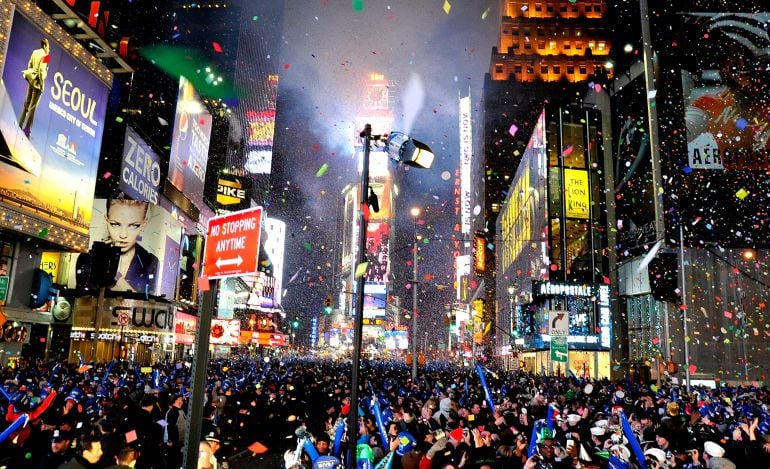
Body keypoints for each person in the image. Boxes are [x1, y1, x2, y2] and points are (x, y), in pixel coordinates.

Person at [103, 199, 158, 293]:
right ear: (106, 221)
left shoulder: (150, 262)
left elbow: (147, 302)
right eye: (115, 224)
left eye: (133, 226)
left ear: (143, 225)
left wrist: (116, 278)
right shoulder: (92, 258)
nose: (123, 235)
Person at [19, 38, 50, 138]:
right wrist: (41, 83)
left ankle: (20, 123)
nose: (49, 49)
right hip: (38, 84)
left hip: (31, 80)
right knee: (33, 107)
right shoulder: (46, 56)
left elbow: (29, 65)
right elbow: (42, 71)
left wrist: (31, 75)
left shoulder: (35, 52)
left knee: (26, 103)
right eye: (48, 46)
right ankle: (27, 130)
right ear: (45, 46)